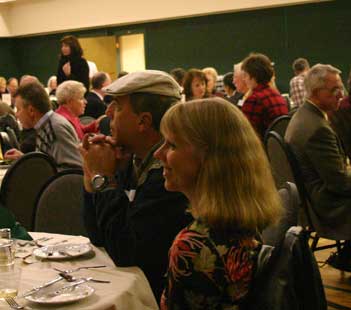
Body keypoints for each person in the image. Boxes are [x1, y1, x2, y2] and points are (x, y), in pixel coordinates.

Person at [156, 97, 282, 309]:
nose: (159, 154)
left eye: (172, 145)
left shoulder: (193, 246)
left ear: (209, 159)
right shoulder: (243, 221)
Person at [80, 70, 192, 301]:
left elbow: (126, 252)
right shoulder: (134, 160)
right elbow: (98, 236)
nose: (107, 112)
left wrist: (105, 178)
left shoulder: (168, 175)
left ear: (144, 121)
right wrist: (94, 178)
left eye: (118, 107)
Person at [285, 64, 351, 288]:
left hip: (314, 198)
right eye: (334, 90)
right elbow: (339, 183)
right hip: (328, 203)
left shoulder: (304, 116)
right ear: (315, 92)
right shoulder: (317, 128)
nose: (340, 94)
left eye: (340, 88)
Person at [4, 82, 82, 168]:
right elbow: (49, 163)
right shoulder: (46, 124)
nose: (16, 115)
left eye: (18, 109)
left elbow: (71, 171)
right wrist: (24, 158)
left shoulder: (55, 128)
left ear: (31, 111)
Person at [241, 53, 288, 138]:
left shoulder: (254, 100)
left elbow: (244, 134)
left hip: (260, 148)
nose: (244, 79)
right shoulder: (278, 96)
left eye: (245, 75)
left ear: (253, 76)